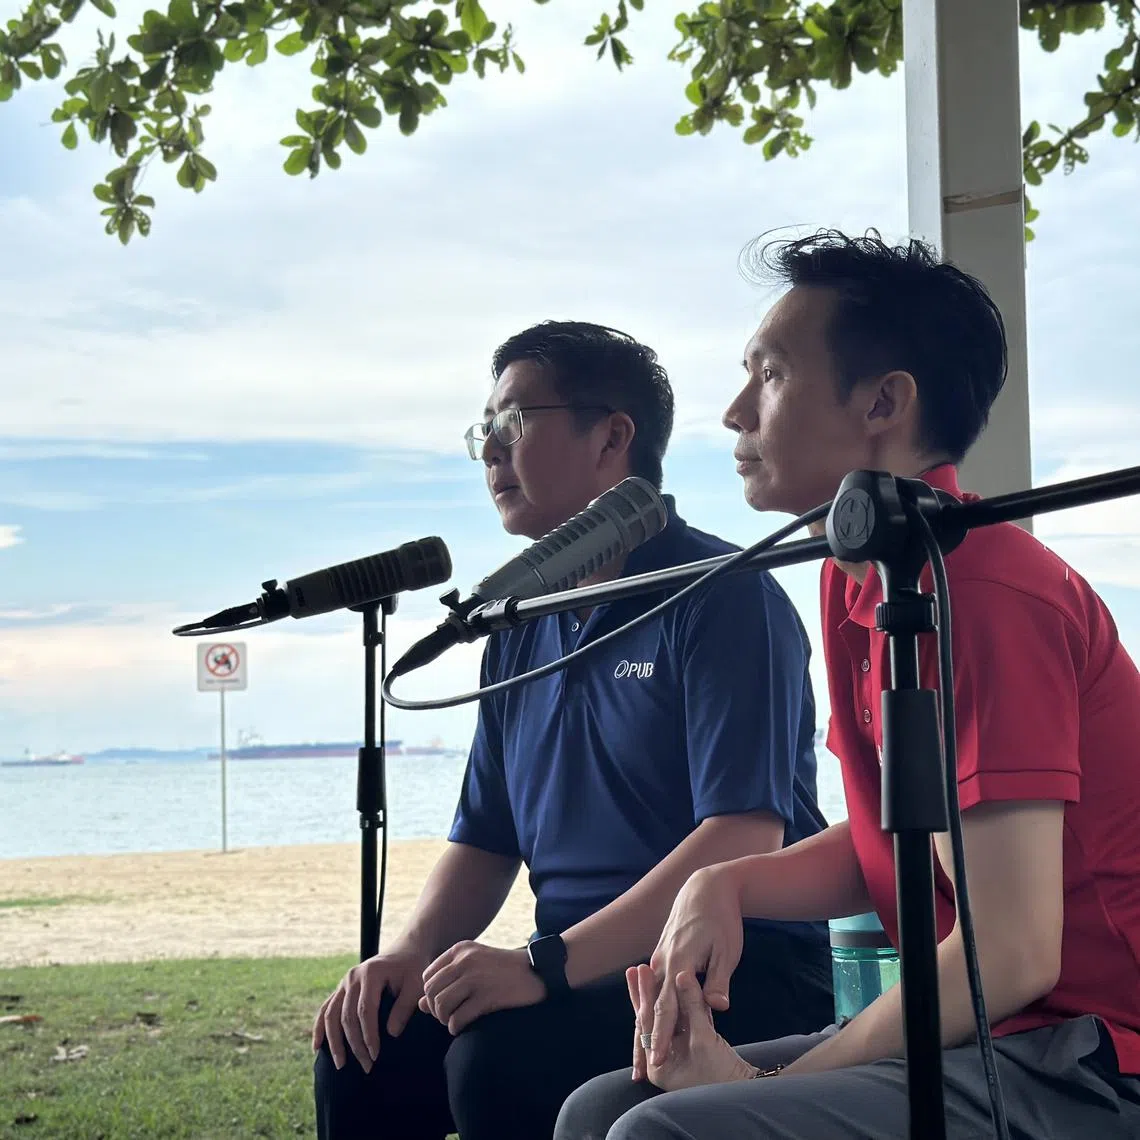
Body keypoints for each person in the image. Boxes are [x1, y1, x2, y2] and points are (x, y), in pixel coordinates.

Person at [555, 232, 1140, 1140]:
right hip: (998, 1037)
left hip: (1095, 1054)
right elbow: (892, 840)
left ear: (884, 403)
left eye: (771, 375)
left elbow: (1012, 956)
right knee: (600, 1109)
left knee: (660, 1130)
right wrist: (727, 882)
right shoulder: (856, 576)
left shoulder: (985, 591)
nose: (735, 413)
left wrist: (752, 1078)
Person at [311, 320, 835, 1140]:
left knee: (497, 1063)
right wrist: (411, 954)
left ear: (612, 437)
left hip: (732, 971)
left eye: (513, 423)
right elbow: (487, 837)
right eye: (481, 430)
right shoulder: (519, 623)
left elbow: (743, 833)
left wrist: (541, 967)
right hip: (570, 969)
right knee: (363, 1043)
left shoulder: (720, 594)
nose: (489, 452)